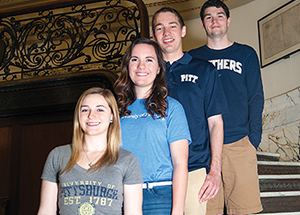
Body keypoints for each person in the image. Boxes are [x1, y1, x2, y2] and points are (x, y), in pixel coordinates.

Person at [188, 0, 264, 214]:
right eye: (209, 17)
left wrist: (253, 139)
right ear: (203, 24)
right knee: (207, 210)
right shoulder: (192, 58)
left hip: (239, 143)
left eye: (220, 15)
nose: (215, 20)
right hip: (204, 148)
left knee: (245, 210)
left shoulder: (246, 54)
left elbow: (256, 97)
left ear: (228, 21)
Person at [152, 7, 228, 215]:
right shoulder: (147, 74)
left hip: (194, 170)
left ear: (183, 31)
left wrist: (214, 171)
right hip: (156, 175)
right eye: (160, 28)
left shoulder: (204, 70)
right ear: (153, 36)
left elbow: (215, 123)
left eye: (172, 26)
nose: (167, 33)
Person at [114, 38, 191, 215]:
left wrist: (177, 211)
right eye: (135, 59)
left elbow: (180, 164)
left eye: (149, 60)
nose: (141, 66)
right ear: (127, 66)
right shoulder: (114, 111)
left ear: (158, 68)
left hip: (160, 197)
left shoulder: (172, 108)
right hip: (123, 196)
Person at [37, 87, 143, 215]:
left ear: (112, 117)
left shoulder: (128, 160)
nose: (91, 115)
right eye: (85, 110)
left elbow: (133, 212)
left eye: (99, 109)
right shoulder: (58, 155)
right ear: (78, 116)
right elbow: (46, 210)